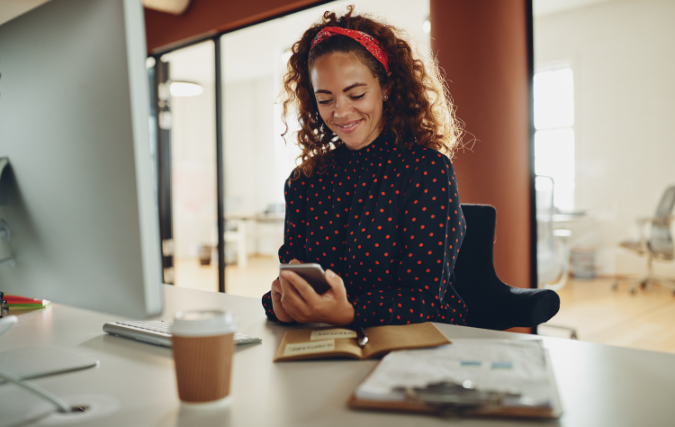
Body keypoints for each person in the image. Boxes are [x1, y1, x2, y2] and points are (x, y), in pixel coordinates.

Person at [261, 6, 467, 328]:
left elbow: (424, 299)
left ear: (386, 88)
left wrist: (349, 312)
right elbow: (294, 277)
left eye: (355, 94)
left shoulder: (426, 171)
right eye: (325, 99)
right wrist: (284, 305)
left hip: (418, 342)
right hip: (329, 342)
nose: (341, 112)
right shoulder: (303, 181)